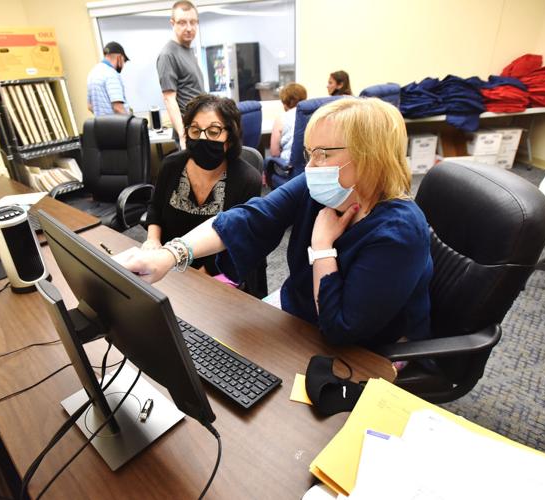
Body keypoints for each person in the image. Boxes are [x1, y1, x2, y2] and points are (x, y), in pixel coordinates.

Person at [121, 97, 433, 349]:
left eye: (323, 154)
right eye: (310, 153)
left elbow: (341, 329)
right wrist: (170, 255)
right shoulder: (320, 189)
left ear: (370, 157)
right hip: (301, 313)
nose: (311, 166)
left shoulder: (399, 232)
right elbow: (250, 218)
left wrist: (322, 247)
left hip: (367, 348)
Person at [142, 94, 262, 279]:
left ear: (230, 137)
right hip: (168, 265)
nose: (203, 138)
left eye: (213, 131)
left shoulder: (247, 180)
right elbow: (155, 208)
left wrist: (200, 277)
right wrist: (153, 240)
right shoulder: (171, 165)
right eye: (195, 131)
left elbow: (238, 239)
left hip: (219, 271)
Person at [157, 0, 205, 150]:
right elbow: (169, 99)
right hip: (190, 132)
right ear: (173, 23)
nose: (189, 28)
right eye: (182, 22)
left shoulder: (188, 50)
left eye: (193, 22)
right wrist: (183, 136)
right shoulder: (168, 55)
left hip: (200, 128)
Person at [87, 42, 130, 116]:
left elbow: (89, 106)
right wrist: (132, 124)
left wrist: (103, 117)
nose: (123, 65)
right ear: (119, 57)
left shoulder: (93, 73)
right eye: (124, 60)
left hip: (101, 125)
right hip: (116, 126)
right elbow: (118, 107)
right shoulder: (111, 74)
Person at [270, 82, 308, 160]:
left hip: (288, 167)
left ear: (285, 101)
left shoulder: (281, 119)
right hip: (308, 164)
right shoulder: (310, 115)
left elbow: (274, 153)